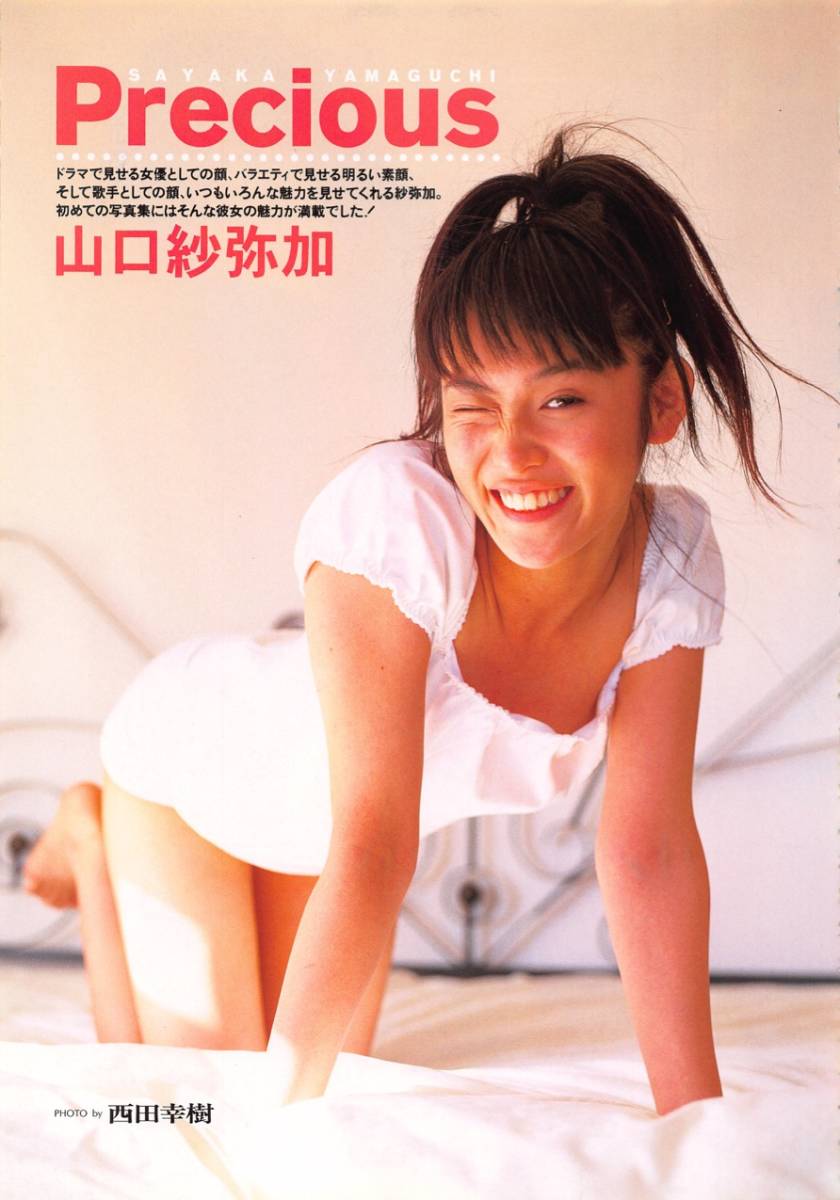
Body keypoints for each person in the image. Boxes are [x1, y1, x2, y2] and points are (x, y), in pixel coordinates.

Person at [23, 124, 805, 1116]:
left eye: (562, 399)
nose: (511, 453)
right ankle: (94, 832)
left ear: (660, 402)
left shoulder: (667, 563)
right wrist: (271, 1136)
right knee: (205, 1089)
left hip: (329, 831)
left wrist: (695, 1123)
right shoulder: (400, 518)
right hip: (198, 766)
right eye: (473, 406)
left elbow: (646, 850)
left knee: (333, 1064)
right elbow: (376, 847)